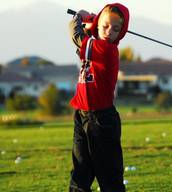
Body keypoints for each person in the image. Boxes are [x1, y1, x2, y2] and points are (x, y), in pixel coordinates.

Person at [68, 3, 130, 192]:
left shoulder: (107, 50)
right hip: (82, 115)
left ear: (121, 33)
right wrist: (91, 22)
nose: (109, 31)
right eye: (105, 26)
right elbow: (84, 41)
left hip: (102, 121)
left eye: (116, 29)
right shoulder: (94, 47)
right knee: (80, 174)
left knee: (109, 178)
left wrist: (78, 18)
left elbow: (77, 36)